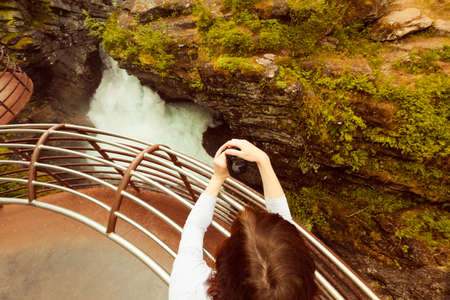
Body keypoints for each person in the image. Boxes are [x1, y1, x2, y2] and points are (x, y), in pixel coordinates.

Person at [169, 139, 317, 300]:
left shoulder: (188, 288)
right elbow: (285, 233)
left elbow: (194, 228)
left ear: (226, 265)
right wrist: (263, 161)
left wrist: (218, 178)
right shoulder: (293, 291)